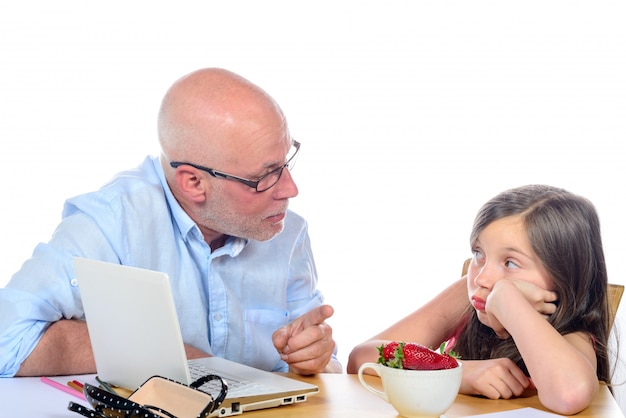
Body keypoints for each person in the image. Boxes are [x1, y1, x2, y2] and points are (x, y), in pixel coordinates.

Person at [0, 68, 342, 377]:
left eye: (286, 163)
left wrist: (316, 359)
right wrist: (182, 361)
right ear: (193, 183)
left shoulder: (287, 230)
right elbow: (7, 342)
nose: (290, 189)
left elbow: (322, 372)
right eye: (264, 177)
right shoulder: (112, 222)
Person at [347, 184, 612, 415]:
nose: (482, 278)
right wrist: (457, 373)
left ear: (563, 275)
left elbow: (569, 395)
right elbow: (363, 358)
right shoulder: (467, 295)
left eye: (510, 262)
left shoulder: (572, 333)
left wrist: (509, 301)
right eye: (478, 254)